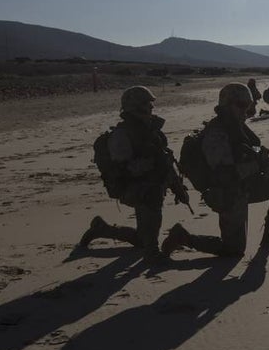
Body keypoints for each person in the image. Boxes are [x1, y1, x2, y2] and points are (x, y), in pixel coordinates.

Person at [162, 84, 269, 257]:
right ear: (227, 104)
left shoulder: (236, 126)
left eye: (248, 106)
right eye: (241, 105)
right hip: (226, 193)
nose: (245, 111)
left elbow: (249, 151)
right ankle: (183, 238)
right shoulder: (217, 133)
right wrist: (258, 165)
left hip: (243, 186)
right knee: (233, 250)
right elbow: (225, 175)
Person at [78, 86, 189, 260]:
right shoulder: (121, 135)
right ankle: (152, 252)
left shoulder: (151, 130)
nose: (151, 107)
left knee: (141, 238)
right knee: (152, 196)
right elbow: (122, 168)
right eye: (147, 104)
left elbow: (165, 161)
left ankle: (102, 230)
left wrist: (177, 187)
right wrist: (152, 165)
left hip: (147, 184)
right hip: (130, 186)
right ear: (135, 107)